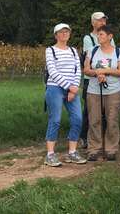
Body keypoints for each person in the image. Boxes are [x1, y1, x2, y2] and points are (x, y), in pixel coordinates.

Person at [43, 23, 86, 166]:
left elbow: (77, 70)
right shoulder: (50, 50)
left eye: (66, 32)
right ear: (56, 35)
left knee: (78, 119)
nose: (64, 34)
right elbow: (53, 72)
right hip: (55, 88)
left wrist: (74, 87)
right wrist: (70, 88)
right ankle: (50, 154)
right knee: (55, 119)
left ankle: (72, 152)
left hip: (72, 89)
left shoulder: (73, 51)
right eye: (61, 32)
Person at [83, 24, 120, 161]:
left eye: (101, 34)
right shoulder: (92, 50)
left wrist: (105, 71)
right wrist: (96, 73)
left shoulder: (118, 52)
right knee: (94, 119)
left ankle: (111, 149)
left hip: (113, 91)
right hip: (94, 91)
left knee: (112, 119)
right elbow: (86, 69)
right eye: (98, 34)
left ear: (109, 36)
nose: (98, 37)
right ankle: (94, 149)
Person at [79, 11, 114, 149]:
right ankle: (84, 136)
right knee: (90, 109)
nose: (102, 23)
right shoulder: (88, 38)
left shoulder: (110, 37)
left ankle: (103, 137)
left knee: (105, 109)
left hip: (107, 77)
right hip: (91, 78)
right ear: (93, 22)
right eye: (100, 20)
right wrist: (100, 71)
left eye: (104, 20)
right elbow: (92, 55)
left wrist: (105, 71)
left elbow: (112, 52)